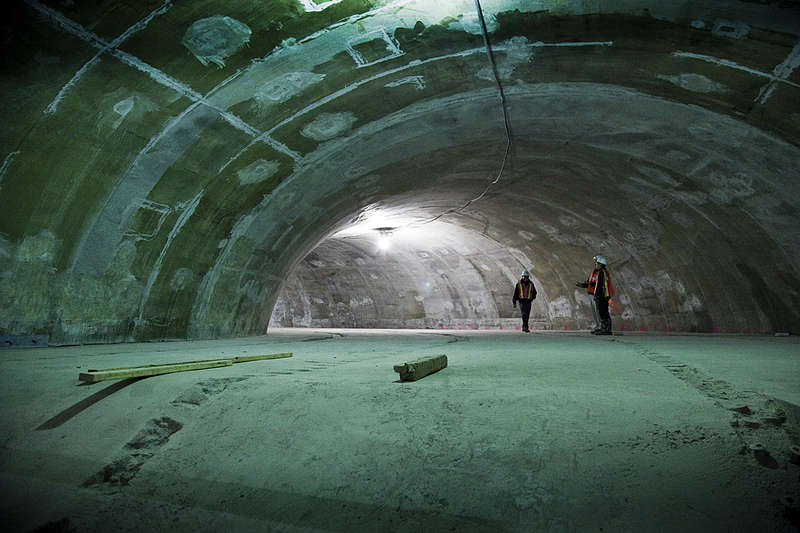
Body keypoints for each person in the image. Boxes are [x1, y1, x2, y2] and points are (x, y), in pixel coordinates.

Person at [576, 256, 614, 335]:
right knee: (601, 312)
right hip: (599, 294)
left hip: (603, 295)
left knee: (603, 312)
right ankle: (603, 328)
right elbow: (591, 283)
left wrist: (596, 295)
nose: (595, 264)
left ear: (601, 264)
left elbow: (599, 285)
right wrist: (583, 285)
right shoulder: (595, 272)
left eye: (597, 263)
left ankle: (606, 329)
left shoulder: (602, 272)